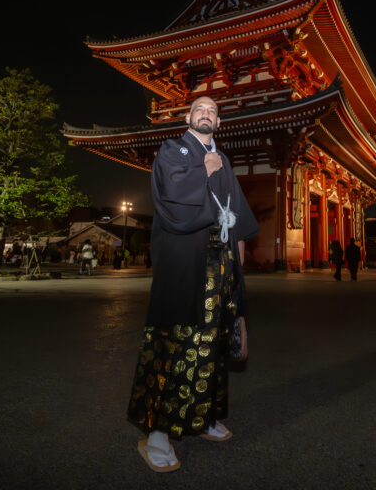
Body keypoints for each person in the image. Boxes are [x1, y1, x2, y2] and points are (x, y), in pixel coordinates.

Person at [126, 96, 259, 473]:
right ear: (188, 117)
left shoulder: (224, 159)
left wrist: (239, 258)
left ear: (219, 122)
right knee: (176, 344)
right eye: (200, 108)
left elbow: (237, 215)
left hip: (220, 267)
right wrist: (204, 169)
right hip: (186, 265)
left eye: (213, 110)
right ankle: (157, 434)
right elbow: (172, 196)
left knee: (212, 345)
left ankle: (203, 418)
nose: (206, 113)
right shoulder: (174, 150)